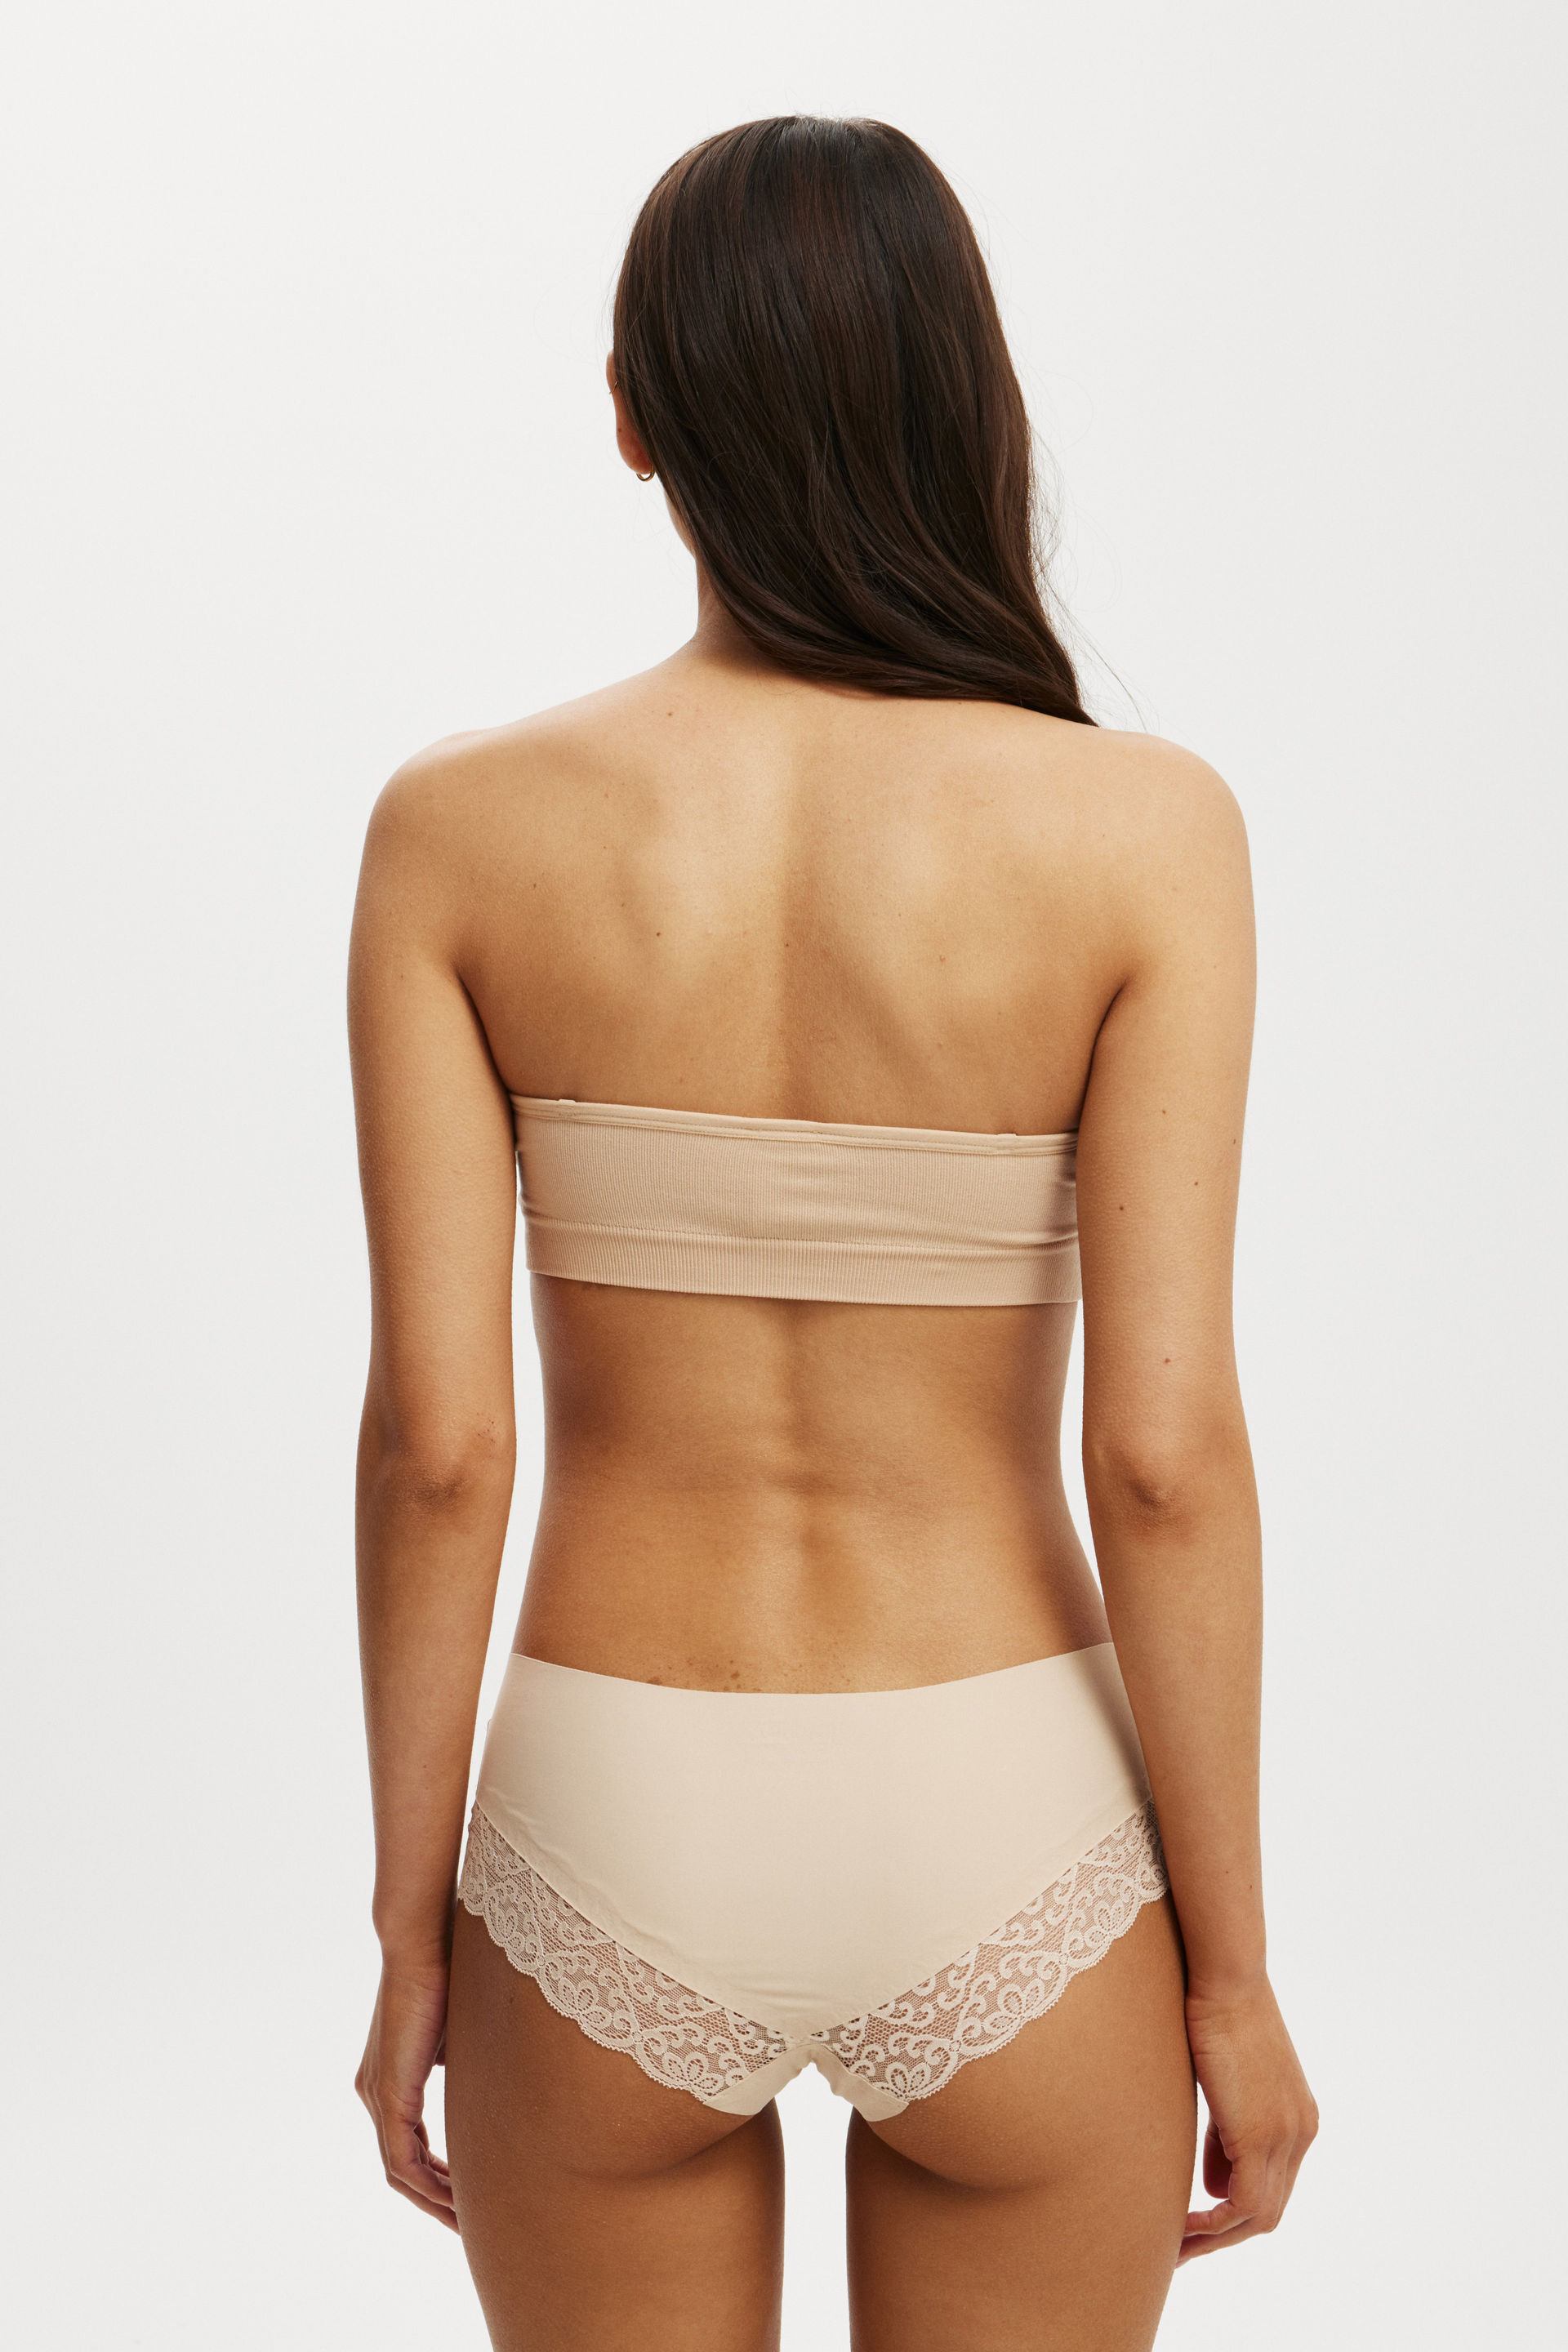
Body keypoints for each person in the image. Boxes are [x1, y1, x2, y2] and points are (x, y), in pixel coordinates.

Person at [348, 114, 1316, 2352]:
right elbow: (1165, 1455)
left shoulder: (458, 834)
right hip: (1006, 1801)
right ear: (969, 398)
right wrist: (1240, 1978)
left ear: (634, 414)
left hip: (608, 1800)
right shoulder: (1145, 834)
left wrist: (411, 1933)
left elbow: (440, 1449)